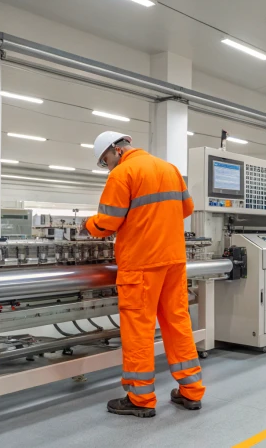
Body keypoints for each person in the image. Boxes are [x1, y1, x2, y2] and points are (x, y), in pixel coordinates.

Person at [83, 131, 204, 418]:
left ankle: (140, 397)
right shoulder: (169, 169)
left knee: (139, 329)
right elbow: (187, 209)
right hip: (173, 261)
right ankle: (191, 391)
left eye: (105, 160)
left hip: (141, 264)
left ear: (115, 151)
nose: (107, 166)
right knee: (177, 322)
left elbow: (108, 221)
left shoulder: (122, 173)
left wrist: (88, 225)